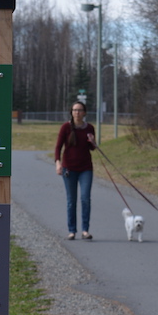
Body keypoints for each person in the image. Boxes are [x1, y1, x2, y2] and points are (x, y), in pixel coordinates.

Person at [55, 101, 97, 240]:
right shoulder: (66, 127)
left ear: (84, 113)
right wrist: (58, 163)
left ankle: (85, 230)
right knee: (71, 201)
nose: (77, 113)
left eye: (80, 110)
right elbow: (58, 147)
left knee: (85, 199)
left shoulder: (89, 128)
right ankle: (72, 230)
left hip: (85, 168)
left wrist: (92, 141)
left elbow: (92, 148)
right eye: (75, 110)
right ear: (71, 112)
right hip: (69, 169)